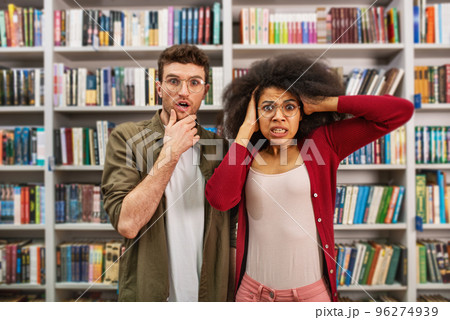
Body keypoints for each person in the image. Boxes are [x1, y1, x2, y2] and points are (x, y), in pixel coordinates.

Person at [205, 54, 414, 302]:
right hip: (252, 295)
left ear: (303, 112)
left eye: (289, 107)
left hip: (309, 296)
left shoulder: (323, 144)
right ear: (253, 113)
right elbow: (219, 199)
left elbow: (400, 112)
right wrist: (245, 128)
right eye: (268, 107)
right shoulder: (246, 154)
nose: (278, 116)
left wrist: (323, 103)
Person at [101, 44, 237, 302]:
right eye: (173, 81)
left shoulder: (220, 148)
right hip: (152, 296)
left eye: (194, 82)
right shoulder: (127, 138)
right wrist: (171, 152)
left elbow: (232, 229)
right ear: (159, 87)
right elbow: (127, 224)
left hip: (209, 296)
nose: (183, 91)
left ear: (205, 91)